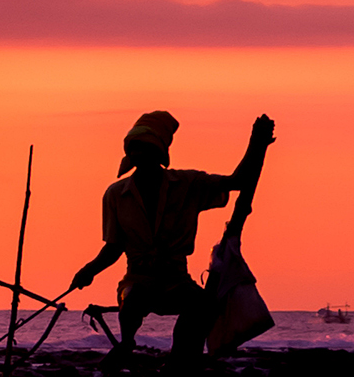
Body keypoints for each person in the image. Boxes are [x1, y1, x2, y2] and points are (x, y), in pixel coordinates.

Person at [69, 110, 250, 353]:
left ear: (160, 153)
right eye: (134, 149)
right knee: (131, 301)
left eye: (146, 148)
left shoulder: (188, 184)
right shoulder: (116, 194)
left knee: (202, 305)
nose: (139, 154)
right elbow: (114, 247)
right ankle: (127, 345)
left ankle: (180, 354)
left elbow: (237, 182)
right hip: (137, 278)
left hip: (176, 279)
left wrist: (256, 144)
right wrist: (88, 271)